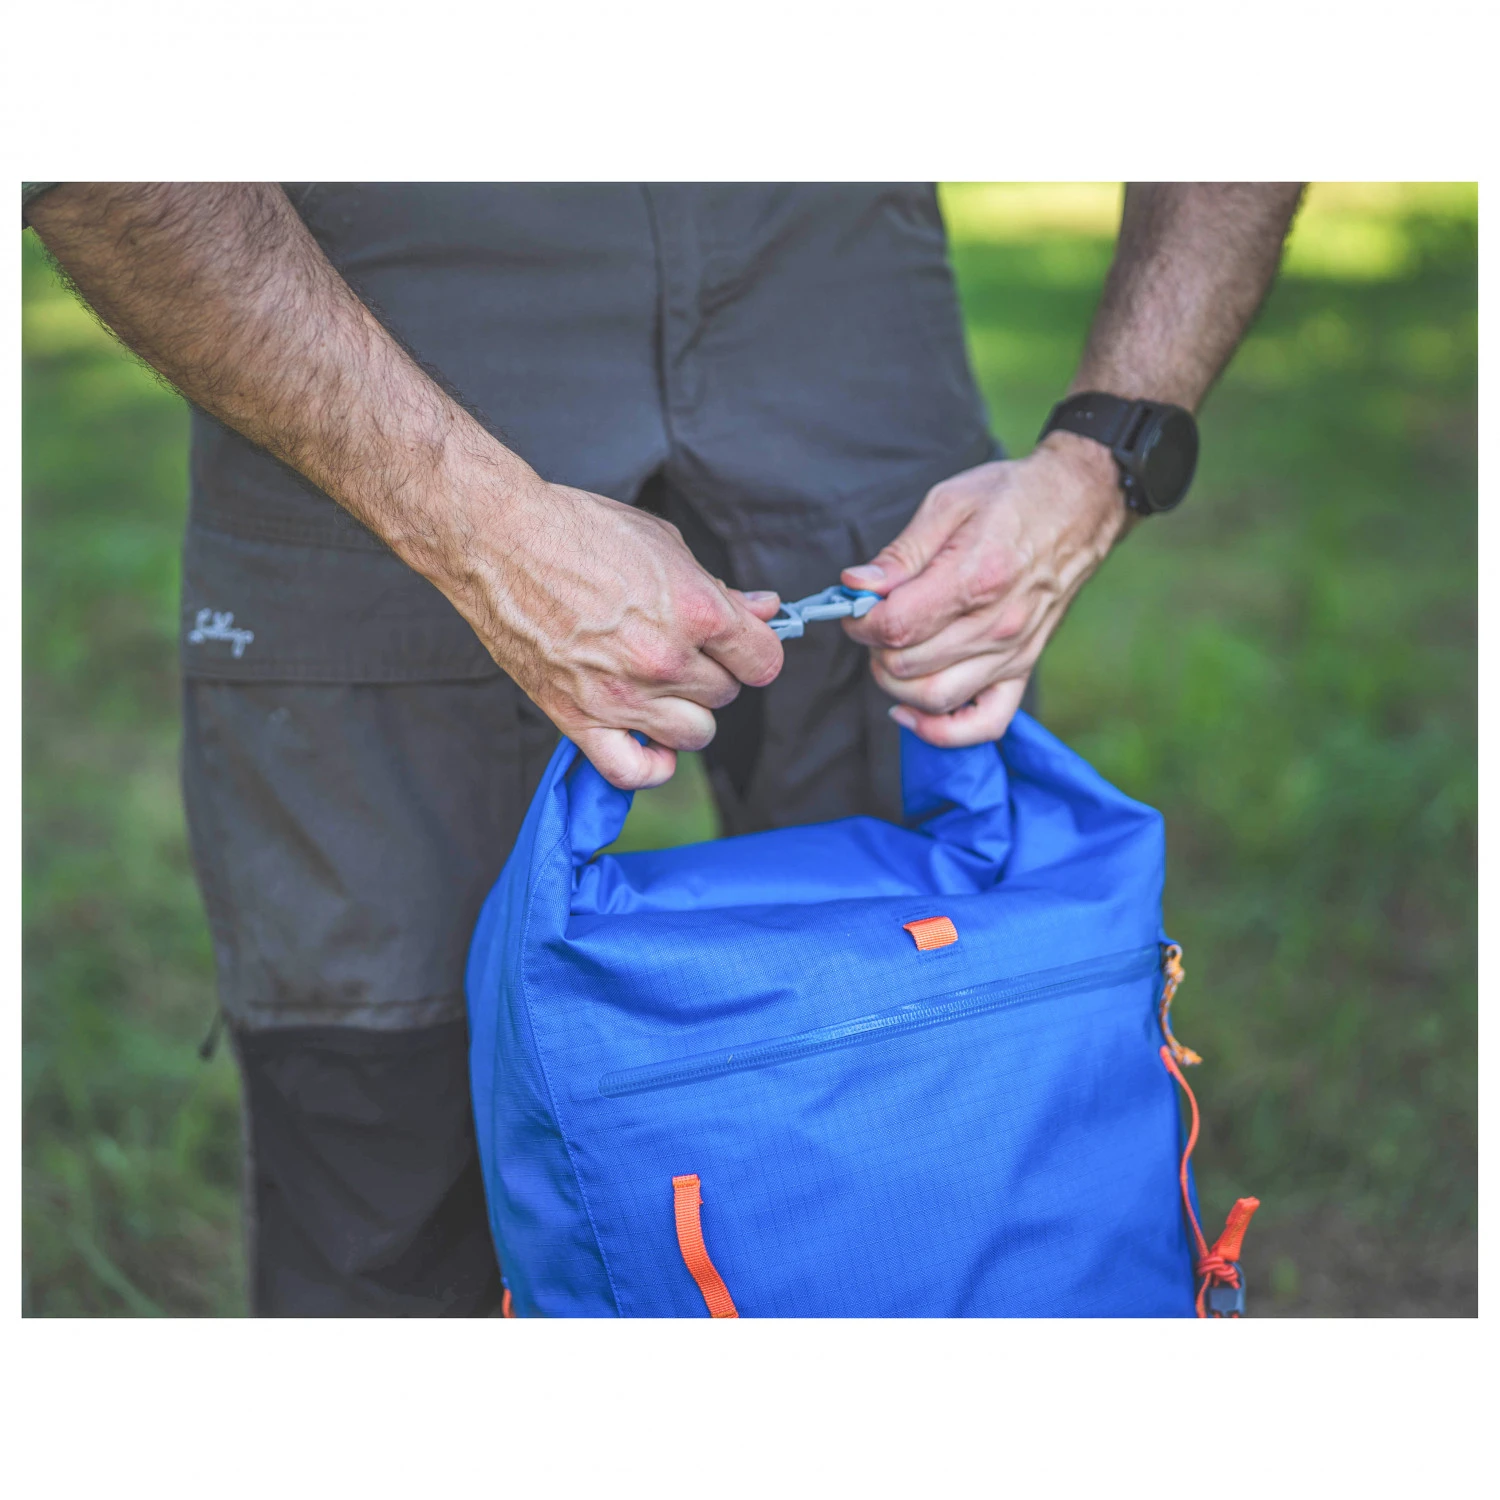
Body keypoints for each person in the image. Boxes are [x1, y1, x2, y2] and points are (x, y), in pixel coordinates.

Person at [23, 181, 1305, 1315]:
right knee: (381, 1117)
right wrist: (478, 526)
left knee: (961, 1050)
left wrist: (1105, 455)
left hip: (836, 258)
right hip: (362, 278)